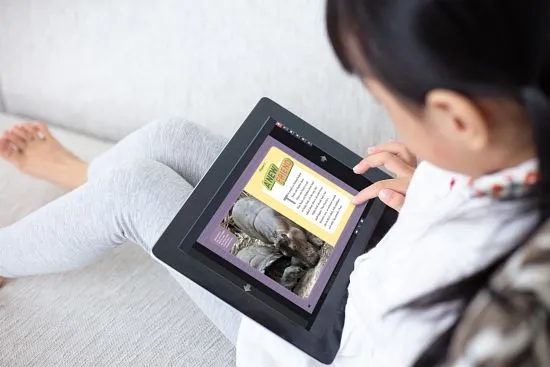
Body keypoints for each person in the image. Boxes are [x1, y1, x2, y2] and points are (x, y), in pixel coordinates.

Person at [1, 0, 548, 365]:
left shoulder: (502, 322)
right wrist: (432, 187)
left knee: (135, 190)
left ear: (458, 119)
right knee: (171, 138)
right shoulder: (517, 149)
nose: (391, 121)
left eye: (387, 103)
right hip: (374, 239)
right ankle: (81, 181)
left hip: (311, 345)